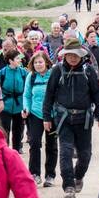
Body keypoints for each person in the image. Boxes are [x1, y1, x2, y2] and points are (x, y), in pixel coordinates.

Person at [42, 38, 99, 198]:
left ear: (81, 55)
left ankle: (78, 176)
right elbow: (49, 94)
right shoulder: (57, 70)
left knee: (85, 155)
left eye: (75, 54)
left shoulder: (89, 71)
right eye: (69, 54)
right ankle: (69, 186)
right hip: (63, 119)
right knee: (65, 152)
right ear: (65, 55)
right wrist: (46, 117)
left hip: (84, 119)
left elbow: (97, 94)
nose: (72, 57)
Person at [22, 51, 58, 187]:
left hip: (53, 115)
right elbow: (26, 95)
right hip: (35, 115)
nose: (38, 65)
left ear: (46, 62)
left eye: (40, 62)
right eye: (36, 62)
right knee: (34, 143)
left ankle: (50, 175)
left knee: (52, 145)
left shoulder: (53, 75)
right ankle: (34, 174)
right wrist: (26, 108)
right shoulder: (31, 77)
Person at [0, 50, 28, 151]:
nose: (20, 60)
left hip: (19, 105)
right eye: (17, 58)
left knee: (18, 130)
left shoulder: (23, 72)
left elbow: (28, 88)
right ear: (10, 60)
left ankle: (16, 149)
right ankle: (4, 150)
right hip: (5, 105)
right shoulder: (2, 73)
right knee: (4, 130)